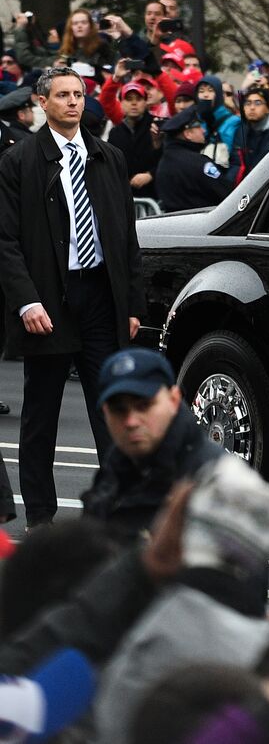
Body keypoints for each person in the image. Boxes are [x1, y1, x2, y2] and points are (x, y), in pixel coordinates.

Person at [0, 66, 144, 529]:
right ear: (42, 103)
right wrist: (27, 301)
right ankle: (41, 516)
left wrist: (133, 305)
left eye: (78, 94)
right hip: (48, 300)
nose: (72, 102)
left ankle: (115, 509)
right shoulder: (19, 161)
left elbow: (127, 238)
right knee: (40, 416)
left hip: (101, 296)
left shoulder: (109, 157)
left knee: (112, 409)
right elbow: (5, 240)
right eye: (62, 95)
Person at [80, 348, 223, 541]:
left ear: (174, 400)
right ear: (105, 412)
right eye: (118, 410)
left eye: (144, 406)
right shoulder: (116, 467)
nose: (131, 421)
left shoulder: (217, 479)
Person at [155, 106, 232, 213]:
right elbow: (227, 194)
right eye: (199, 126)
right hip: (204, 224)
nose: (203, 130)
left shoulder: (164, 162)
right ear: (188, 134)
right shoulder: (200, 164)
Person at [106, 82, 160, 201]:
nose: (134, 103)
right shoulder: (115, 133)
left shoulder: (156, 127)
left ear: (146, 102)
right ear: (121, 103)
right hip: (125, 197)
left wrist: (150, 175)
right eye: (129, 99)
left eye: (139, 99)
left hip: (154, 195)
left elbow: (167, 158)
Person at [231, 87, 269, 180]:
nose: (252, 107)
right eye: (248, 103)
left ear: (268, 108)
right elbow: (236, 164)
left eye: (258, 103)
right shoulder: (241, 130)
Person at [0, 85, 34, 151]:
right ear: (21, 115)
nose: (33, 113)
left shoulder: (9, 133)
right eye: (30, 110)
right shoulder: (25, 139)